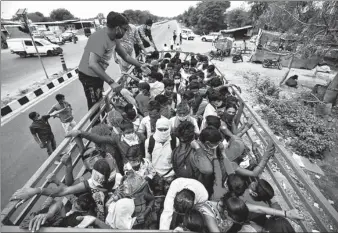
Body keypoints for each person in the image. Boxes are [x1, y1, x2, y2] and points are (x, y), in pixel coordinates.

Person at [78, 11, 150, 126]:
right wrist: (111, 82)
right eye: (125, 29)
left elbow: (125, 56)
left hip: (98, 74)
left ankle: (102, 123)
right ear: (117, 28)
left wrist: (140, 65)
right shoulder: (99, 38)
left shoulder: (114, 38)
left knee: (99, 100)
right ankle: (98, 130)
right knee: (94, 107)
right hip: (89, 76)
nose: (126, 32)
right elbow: (92, 64)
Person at [145, 118, 176, 191]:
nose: (163, 132)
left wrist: (172, 174)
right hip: (155, 176)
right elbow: (148, 160)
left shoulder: (175, 141)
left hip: (170, 175)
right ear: (156, 128)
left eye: (165, 129)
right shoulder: (149, 142)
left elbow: (177, 160)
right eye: (160, 129)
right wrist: (154, 175)